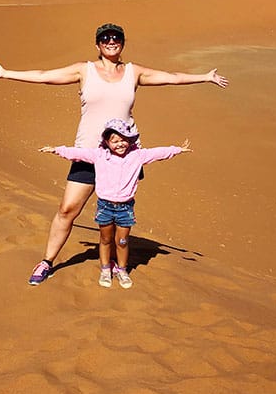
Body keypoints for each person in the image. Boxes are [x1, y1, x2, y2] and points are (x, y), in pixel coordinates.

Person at [0, 22, 228, 285]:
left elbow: (171, 77)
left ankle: (117, 266)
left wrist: (204, 76)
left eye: (117, 38)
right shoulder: (84, 70)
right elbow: (44, 75)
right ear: (97, 44)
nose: (111, 41)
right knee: (67, 210)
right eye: (105, 38)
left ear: (122, 43)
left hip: (124, 155)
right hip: (89, 152)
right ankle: (47, 261)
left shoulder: (134, 72)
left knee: (119, 214)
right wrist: (6, 73)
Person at [40, 118, 192, 288]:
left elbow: (158, 154)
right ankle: (105, 269)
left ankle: (122, 270)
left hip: (125, 208)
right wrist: (57, 150)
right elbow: (77, 153)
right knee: (105, 240)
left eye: (123, 140)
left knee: (122, 241)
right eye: (115, 141)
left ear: (130, 140)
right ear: (106, 142)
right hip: (105, 206)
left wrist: (177, 149)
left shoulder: (137, 156)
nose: (120, 144)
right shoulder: (99, 155)